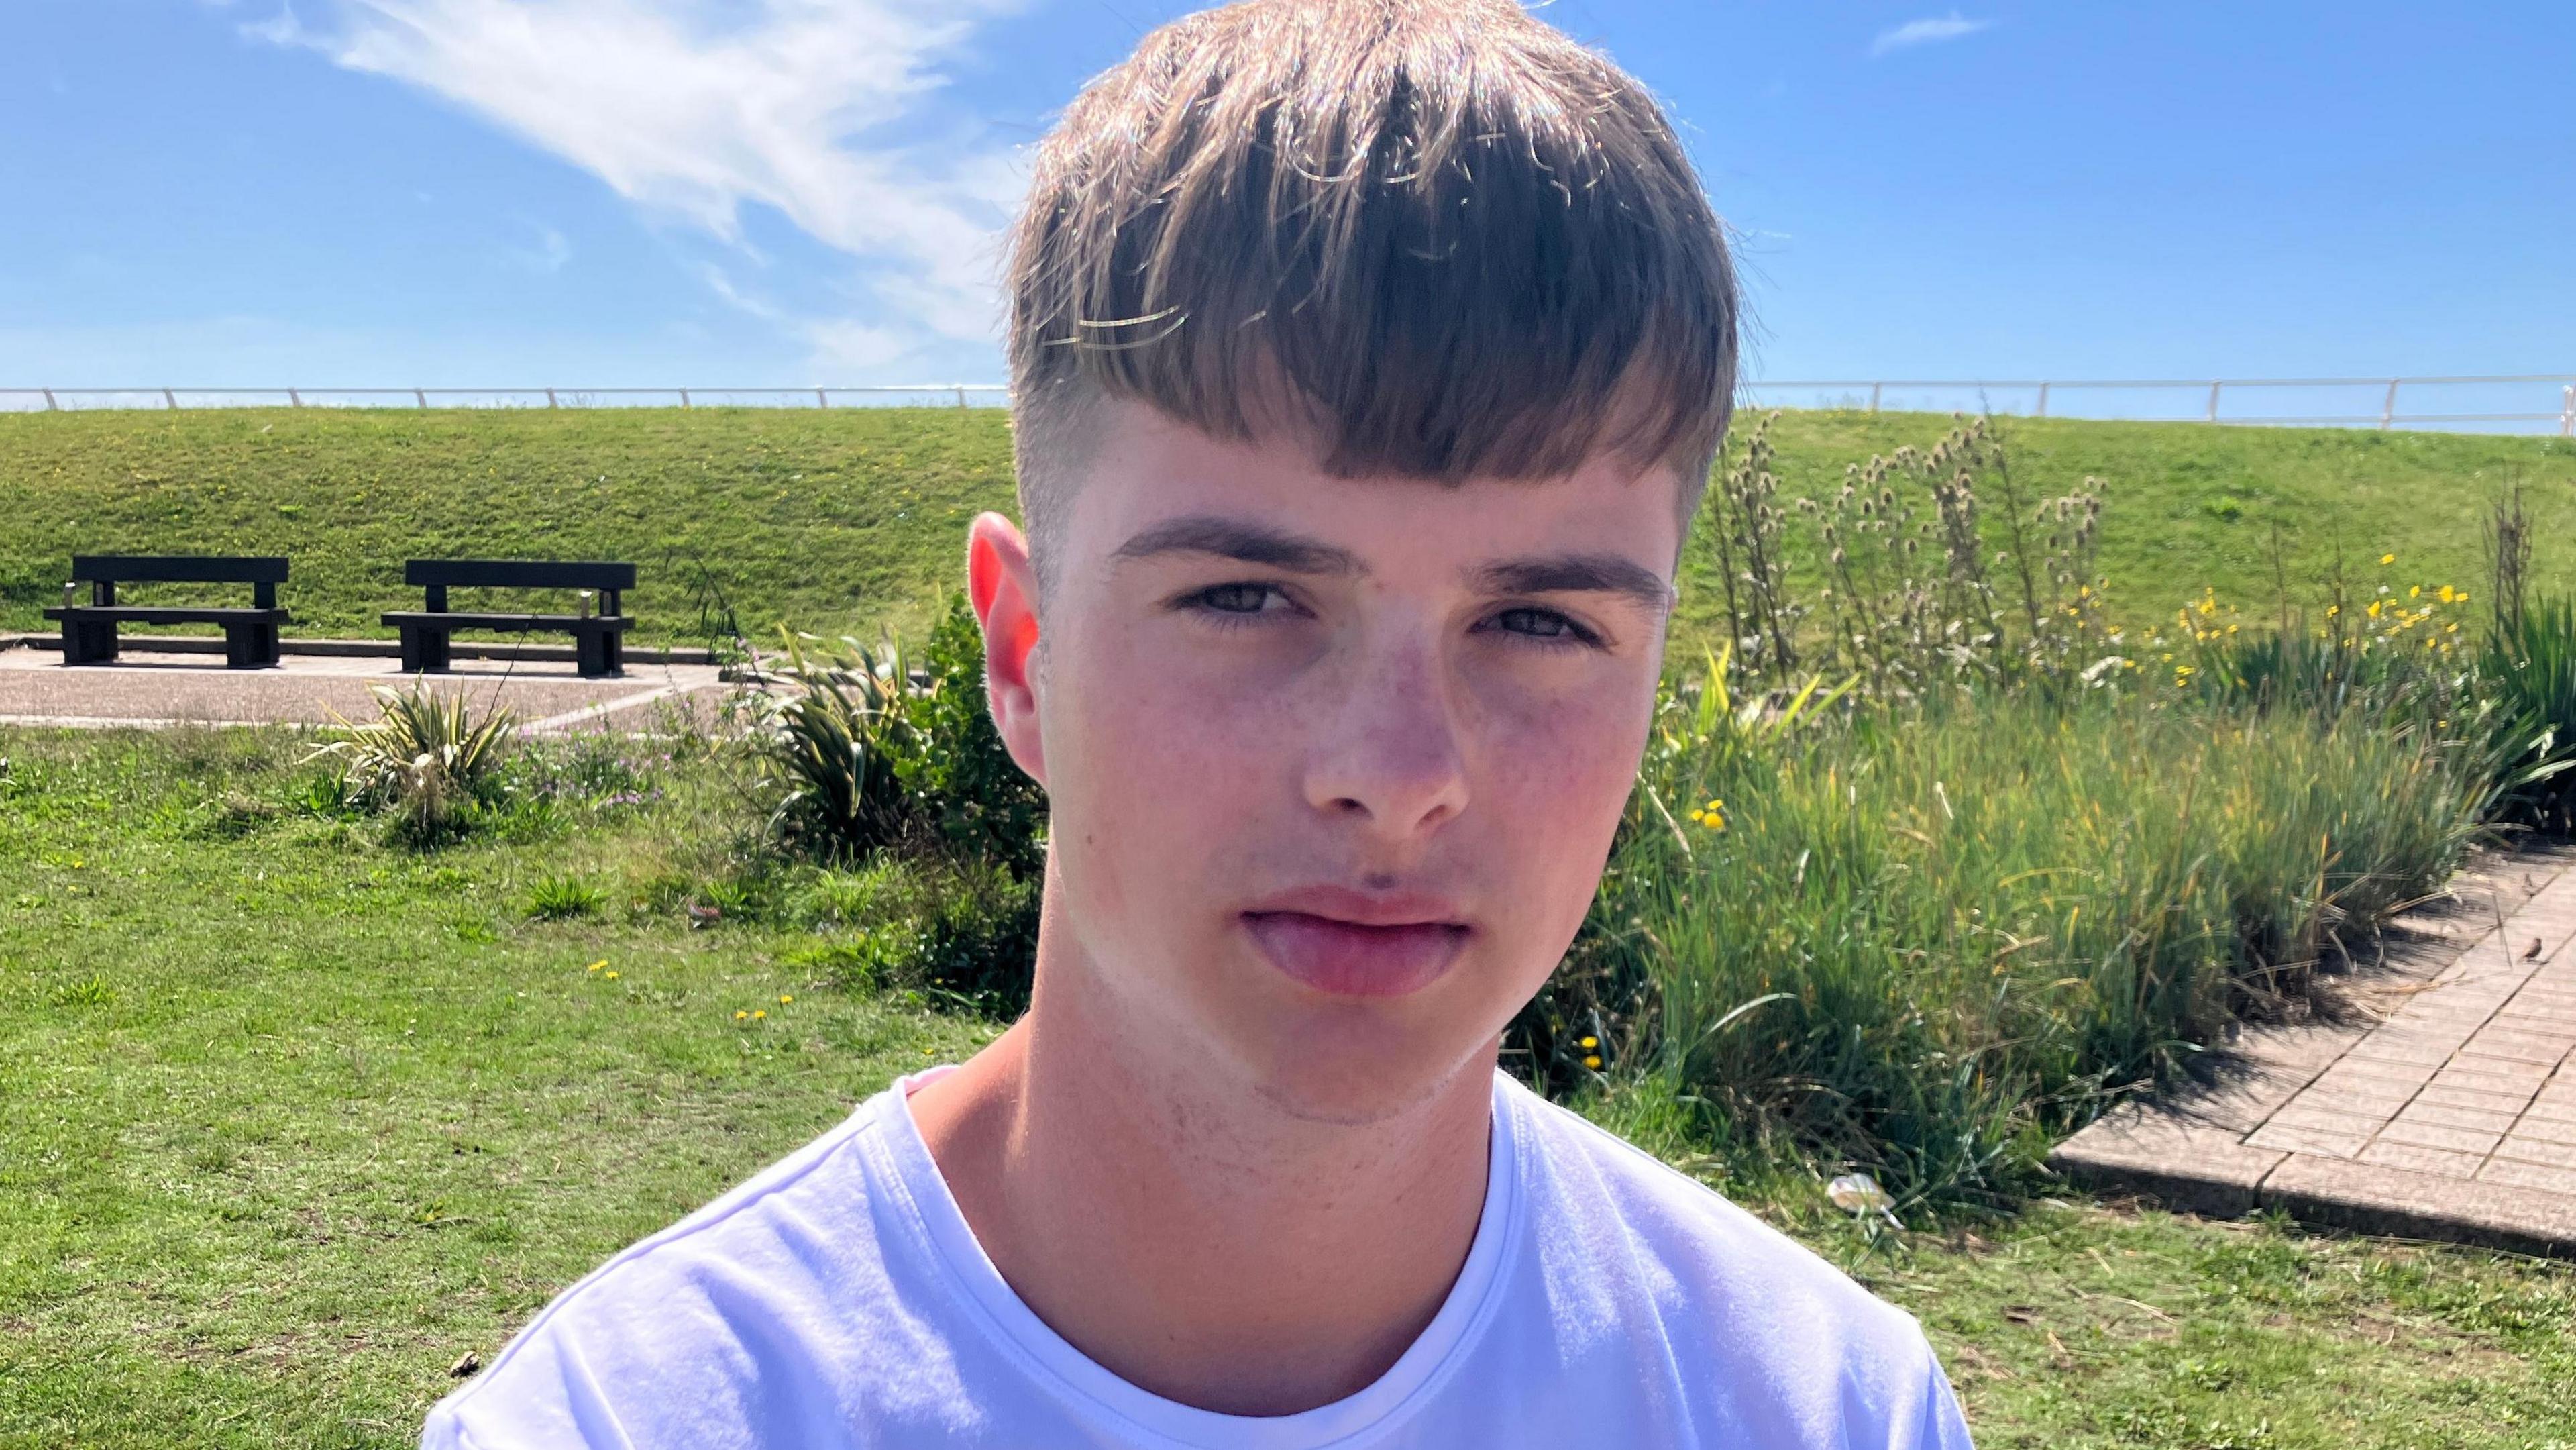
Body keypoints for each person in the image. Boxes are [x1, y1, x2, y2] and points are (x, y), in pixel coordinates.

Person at [423, 1, 1975, 1445]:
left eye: (1538, 622)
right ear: (1026, 654)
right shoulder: (635, 1417)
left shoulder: (1825, 1405)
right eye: (1246, 597)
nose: (1396, 775)